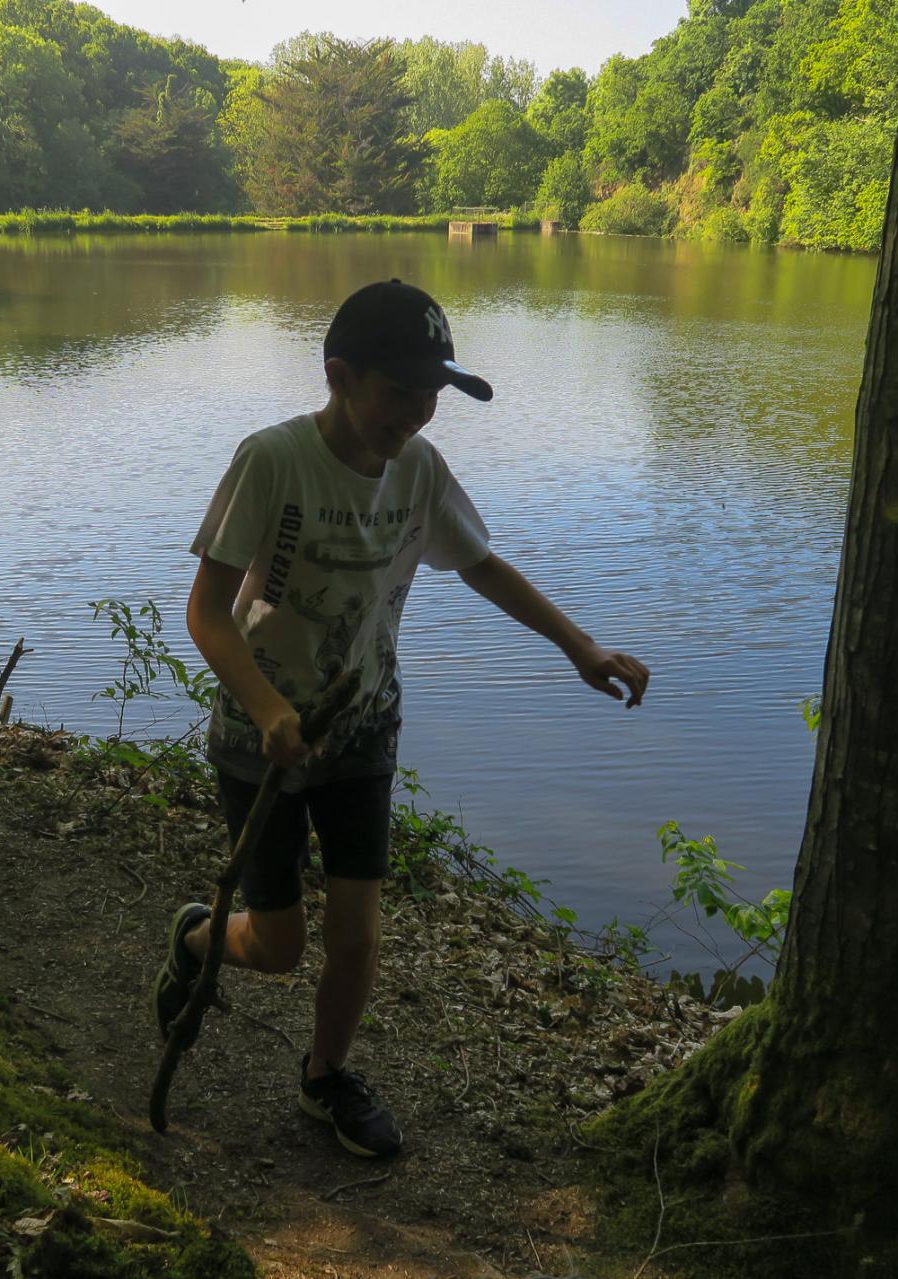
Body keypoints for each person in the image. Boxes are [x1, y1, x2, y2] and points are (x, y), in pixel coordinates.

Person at [154, 279, 651, 1158]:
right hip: (259, 737)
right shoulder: (273, 461)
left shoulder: (419, 470)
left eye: (433, 397)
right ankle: (198, 937)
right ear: (340, 375)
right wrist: (267, 707)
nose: (417, 415)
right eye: (400, 394)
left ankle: (324, 1076)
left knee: (358, 932)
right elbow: (206, 610)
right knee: (277, 945)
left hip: (363, 728)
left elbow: (482, 565)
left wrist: (581, 646)